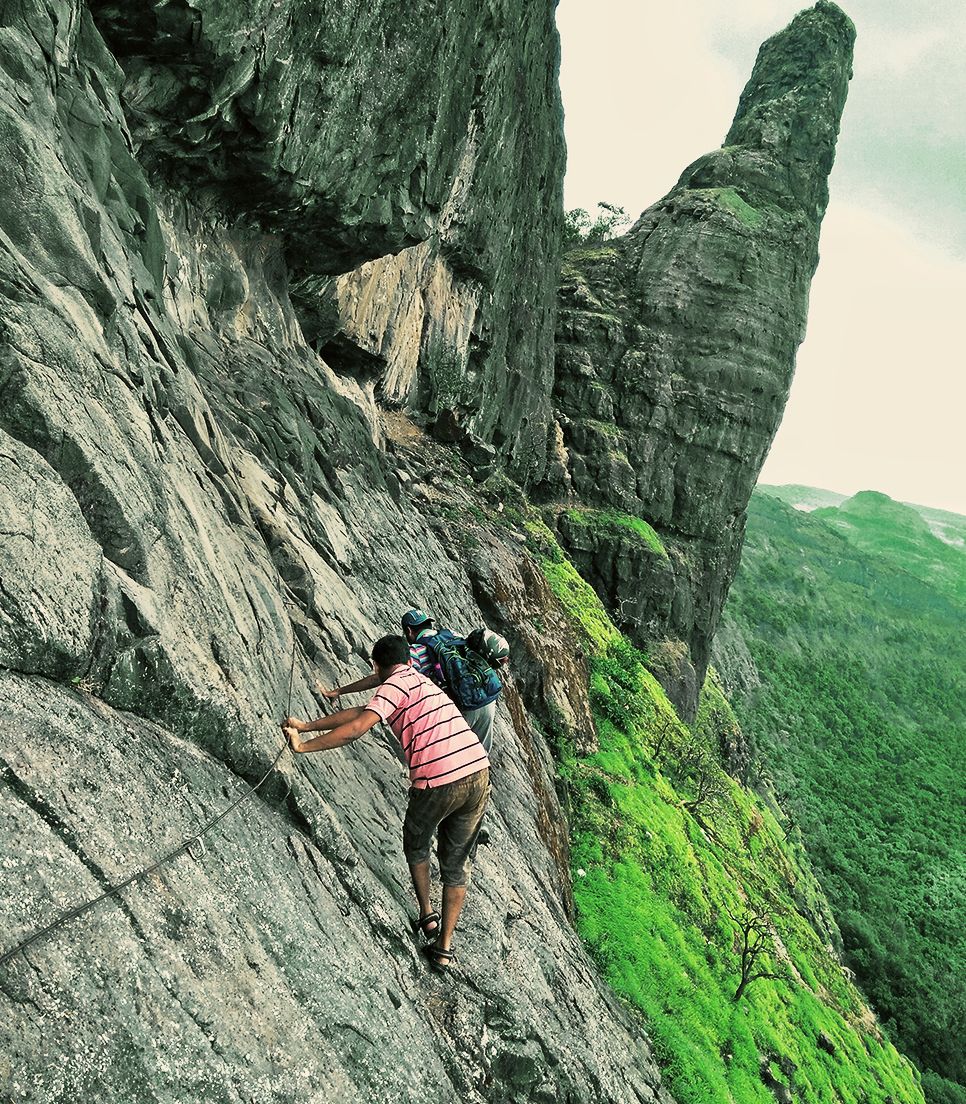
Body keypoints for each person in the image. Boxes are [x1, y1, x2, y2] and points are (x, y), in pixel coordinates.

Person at [283, 634, 490, 971]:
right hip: (478, 771)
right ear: (407, 660)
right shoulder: (418, 679)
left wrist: (303, 747)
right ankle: (444, 948)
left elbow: (357, 728)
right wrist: (305, 726)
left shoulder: (392, 686)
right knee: (456, 863)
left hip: (439, 776)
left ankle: (427, 915)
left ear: (376, 665)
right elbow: (361, 711)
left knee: (417, 842)